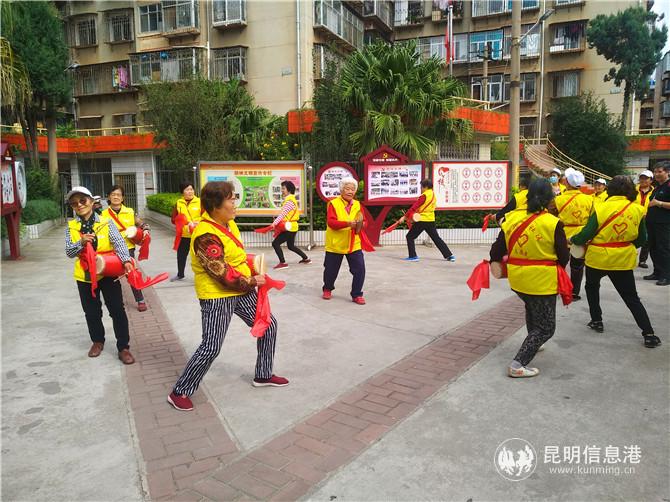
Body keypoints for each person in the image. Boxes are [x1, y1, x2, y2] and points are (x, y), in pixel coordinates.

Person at [168, 181, 288, 412]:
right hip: (217, 295)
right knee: (211, 346)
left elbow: (235, 257)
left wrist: (252, 268)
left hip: (240, 291)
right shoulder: (205, 235)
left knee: (268, 325)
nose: (235, 203)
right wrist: (252, 280)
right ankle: (180, 391)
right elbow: (220, 272)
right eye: (231, 199)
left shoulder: (229, 224)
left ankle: (263, 375)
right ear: (215, 205)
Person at [489, 179, 570, 377]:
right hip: (541, 280)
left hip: (518, 278)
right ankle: (518, 365)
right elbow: (563, 256)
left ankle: (534, 341)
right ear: (550, 199)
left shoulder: (511, 220)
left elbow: (496, 250)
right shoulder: (553, 222)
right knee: (546, 328)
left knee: (531, 308)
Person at [571, 176, 660, 348]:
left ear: (609, 189)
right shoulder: (637, 209)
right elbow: (642, 239)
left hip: (597, 258)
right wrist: (624, 245)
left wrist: (574, 238)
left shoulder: (601, 207)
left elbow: (586, 234)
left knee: (591, 287)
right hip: (622, 260)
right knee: (631, 297)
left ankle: (596, 320)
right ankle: (649, 333)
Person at [64, 186, 136, 364]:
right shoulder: (72, 226)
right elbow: (69, 252)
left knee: (117, 310)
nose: (79, 205)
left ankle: (123, 347)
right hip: (84, 275)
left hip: (107, 272)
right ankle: (97, 341)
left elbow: (119, 244)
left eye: (83, 200)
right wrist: (80, 243)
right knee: (91, 312)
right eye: (74, 203)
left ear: (91, 201)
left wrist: (126, 261)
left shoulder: (105, 222)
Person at [104, 185, 151, 312]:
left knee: (131, 273)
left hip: (128, 248)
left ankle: (140, 300)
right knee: (112, 276)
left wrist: (145, 229)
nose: (116, 197)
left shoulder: (130, 211)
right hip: (111, 249)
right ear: (109, 196)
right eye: (113, 194)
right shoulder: (103, 214)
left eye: (118, 195)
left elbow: (140, 223)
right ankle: (115, 300)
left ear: (123, 197)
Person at [322, 177, 367, 305]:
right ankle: (327, 288)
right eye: (347, 188)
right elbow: (331, 223)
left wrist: (362, 225)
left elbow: (364, 221)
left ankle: (357, 294)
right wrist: (348, 224)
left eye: (353, 189)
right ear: (341, 190)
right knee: (331, 270)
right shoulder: (333, 203)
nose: (350, 191)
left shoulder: (357, 204)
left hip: (354, 244)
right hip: (335, 244)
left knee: (360, 269)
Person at [554, 168, 592, 301]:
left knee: (559, 263)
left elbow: (551, 216)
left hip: (562, 234)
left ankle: (557, 288)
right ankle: (574, 292)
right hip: (581, 235)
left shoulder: (558, 199)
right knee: (577, 266)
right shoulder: (589, 199)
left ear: (568, 183)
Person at [400, 179, 455, 262]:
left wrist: (404, 217)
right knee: (436, 238)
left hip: (422, 220)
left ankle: (413, 256)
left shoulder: (424, 196)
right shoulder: (433, 195)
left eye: (421, 187)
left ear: (425, 187)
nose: (421, 189)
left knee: (410, 237)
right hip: (431, 220)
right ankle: (449, 255)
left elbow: (413, 207)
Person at [271, 180, 310, 270]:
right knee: (291, 246)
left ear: (289, 190)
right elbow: (285, 214)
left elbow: (283, 214)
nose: (282, 190)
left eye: (283, 188)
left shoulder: (289, 201)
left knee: (275, 243)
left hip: (289, 227)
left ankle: (283, 263)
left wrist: (274, 223)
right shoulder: (291, 200)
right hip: (292, 226)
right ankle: (306, 258)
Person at [644, 162, 670, 286]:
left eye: (660, 171)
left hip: (664, 224)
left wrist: (659, 203)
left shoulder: (669, 186)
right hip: (652, 223)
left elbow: (657, 203)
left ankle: (666, 276)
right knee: (653, 248)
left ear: (667, 172)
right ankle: (657, 272)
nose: (657, 174)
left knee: (664, 249)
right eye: (655, 171)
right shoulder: (658, 187)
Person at [171, 181, 202, 281]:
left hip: (198, 234)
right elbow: (173, 218)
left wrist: (198, 222)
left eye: (191, 189)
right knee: (181, 256)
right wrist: (181, 222)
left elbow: (207, 216)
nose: (190, 191)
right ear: (182, 192)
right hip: (184, 235)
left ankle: (202, 276)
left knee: (200, 257)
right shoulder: (179, 203)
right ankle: (180, 274)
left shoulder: (200, 202)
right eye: (187, 189)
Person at [635, 170, 654, 269]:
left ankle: (642, 260)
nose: (643, 180)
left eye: (645, 178)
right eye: (641, 178)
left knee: (646, 239)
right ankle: (628, 257)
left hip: (648, 218)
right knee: (630, 236)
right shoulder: (633, 190)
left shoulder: (654, 191)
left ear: (651, 180)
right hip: (633, 217)